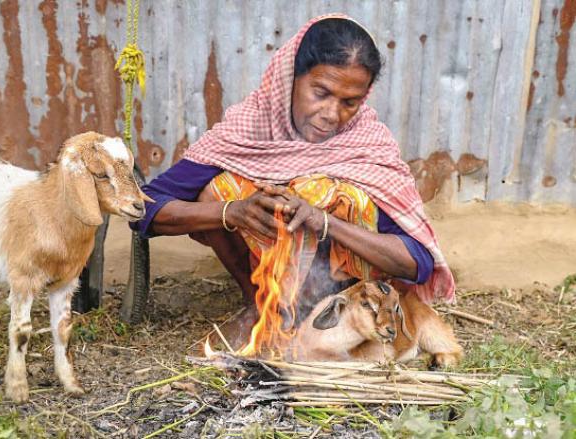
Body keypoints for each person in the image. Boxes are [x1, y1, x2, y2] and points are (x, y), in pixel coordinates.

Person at [131, 14, 455, 347]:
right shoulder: (249, 129)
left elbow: (418, 262)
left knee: (346, 197)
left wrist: (325, 221)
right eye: (321, 93)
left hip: (349, 303)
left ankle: (326, 318)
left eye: (349, 102)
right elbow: (146, 210)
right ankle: (262, 306)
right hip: (263, 285)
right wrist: (232, 212)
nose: (332, 114)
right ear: (291, 79)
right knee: (219, 189)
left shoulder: (369, 144)